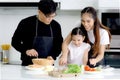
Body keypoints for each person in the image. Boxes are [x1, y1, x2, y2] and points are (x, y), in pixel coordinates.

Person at [11, 0, 63, 66]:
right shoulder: (26, 23)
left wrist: (52, 56)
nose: (50, 19)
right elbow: (15, 42)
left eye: (53, 16)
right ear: (39, 12)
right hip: (28, 66)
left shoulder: (56, 26)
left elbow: (58, 45)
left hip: (47, 66)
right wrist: (26, 50)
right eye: (48, 16)